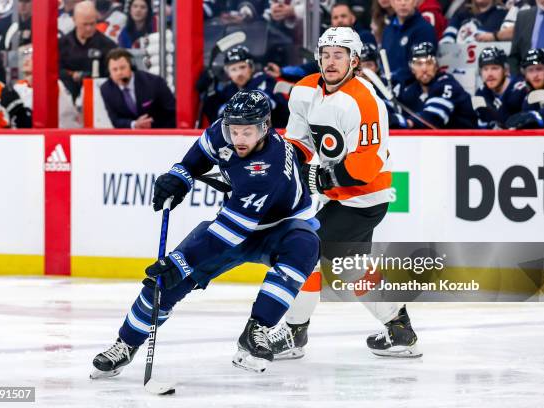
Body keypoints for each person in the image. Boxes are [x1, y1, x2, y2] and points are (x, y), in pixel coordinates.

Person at [90, 89, 320, 377]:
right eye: (234, 130)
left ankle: (257, 331)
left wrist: (182, 262)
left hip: (282, 228)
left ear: (264, 127)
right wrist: (178, 177)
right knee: (164, 282)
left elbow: (228, 234)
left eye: (247, 132)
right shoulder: (223, 131)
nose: (238, 138)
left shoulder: (267, 167)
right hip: (238, 223)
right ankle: (125, 344)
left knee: (305, 245)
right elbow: (195, 160)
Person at [269, 26, 422, 360]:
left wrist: (322, 179)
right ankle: (399, 328)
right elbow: (299, 142)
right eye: (325, 55)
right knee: (351, 266)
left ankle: (295, 332)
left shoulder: (365, 101)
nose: (330, 61)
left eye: (338, 55)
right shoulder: (305, 89)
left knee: (301, 249)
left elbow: (367, 164)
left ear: (354, 61)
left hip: (364, 198)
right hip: (333, 197)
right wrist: (287, 168)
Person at [199, 45, 288, 128]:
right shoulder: (229, 89)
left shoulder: (264, 80)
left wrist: (226, 110)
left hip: (278, 136)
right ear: (228, 73)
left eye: (242, 67)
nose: (239, 73)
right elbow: (216, 120)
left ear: (251, 68)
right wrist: (210, 93)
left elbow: (260, 106)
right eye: (233, 69)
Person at [395, 42, 477, 128]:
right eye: (419, 64)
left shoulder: (447, 84)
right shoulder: (411, 90)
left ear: (436, 66)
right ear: (412, 69)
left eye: (429, 63)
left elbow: (433, 118)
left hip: (466, 140)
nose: (424, 69)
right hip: (435, 140)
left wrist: (405, 123)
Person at [5, 46, 81, 128]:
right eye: (25, 56)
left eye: (32, 57)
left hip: (59, 134)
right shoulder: (19, 86)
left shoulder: (54, 84)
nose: (26, 60)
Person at [100, 48, 176, 128]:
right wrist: (134, 124)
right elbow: (115, 120)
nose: (119, 73)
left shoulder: (154, 82)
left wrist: (152, 124)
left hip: (159, 132)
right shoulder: (106, 89)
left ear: (131, 66)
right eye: (114, 70)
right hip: (129, 137)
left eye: (122, 68)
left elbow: (172, 112)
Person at [58, 0, 117, 100]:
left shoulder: (108, 45)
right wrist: (72, 75)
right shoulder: (61, 44)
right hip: (66, 97)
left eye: (92, 23)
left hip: (97, 97)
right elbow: (54, 70)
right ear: (74, 20)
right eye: (84, 24)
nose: (89, 28)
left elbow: (113, 75)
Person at [381, 0, 437, 85]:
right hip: (387, 87)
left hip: (412, 90)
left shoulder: (425, 29)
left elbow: (422, 67)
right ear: (391, 2)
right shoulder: (388, 29)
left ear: (415, 2)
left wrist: (390, 79)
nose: (403, 3)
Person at [474, 46, 526, 128]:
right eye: (485, 69)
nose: (489, 74)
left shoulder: (520, 90)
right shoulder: (482, 92)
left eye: (494, 68)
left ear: (506, 70)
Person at [439, 0, 506, 43]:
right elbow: (448, 36)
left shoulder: (500, 13)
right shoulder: (462, 12)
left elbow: (481, 38)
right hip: (457, 58)